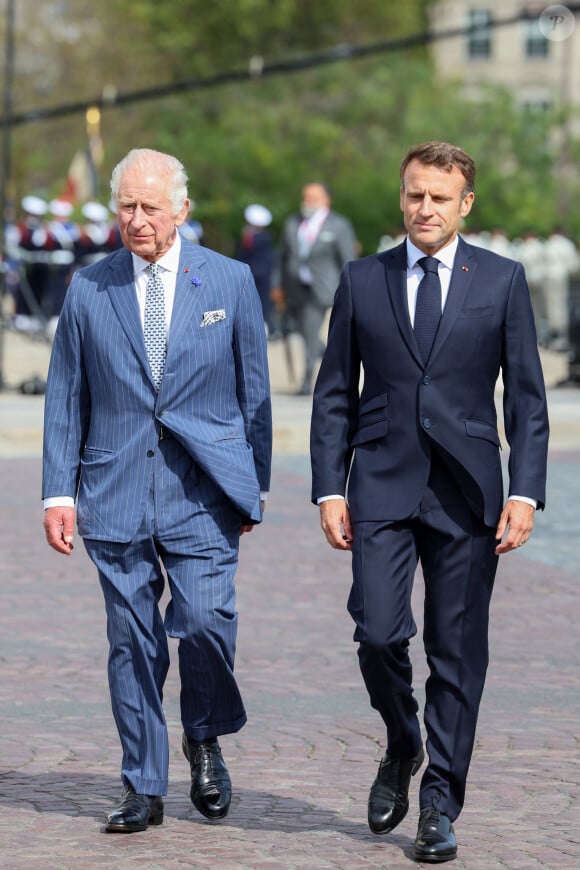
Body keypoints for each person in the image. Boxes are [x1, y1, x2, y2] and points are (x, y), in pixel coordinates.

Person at [310, 142, 549, 863]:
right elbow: (332, 396)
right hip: (379, 484)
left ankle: (440, 803)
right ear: (402, 195)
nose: (424, 208)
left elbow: (529, 402)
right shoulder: (362, 278)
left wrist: (526, 493)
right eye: (415, 194)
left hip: (470, 492)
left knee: (456, 653)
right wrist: (328, 486)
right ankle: (403, 739)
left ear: (465, 204)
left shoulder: (502, 281)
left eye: (439, 198)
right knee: (379, 634)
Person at [42, 148, 272, 833]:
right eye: (126, 208)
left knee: (204, 624)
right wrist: (59, 493)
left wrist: (250, 488)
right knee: (132, 641)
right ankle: (143, 784)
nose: (137, 220)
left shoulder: (229, 283)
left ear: (182, 212)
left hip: (205, 492)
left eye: (150, 207)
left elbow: (254, 393)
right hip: (114, 490)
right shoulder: (90, 287)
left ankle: (203, 732)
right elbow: (66, 394)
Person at [273, 182, 357, 394]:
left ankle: (307, 380)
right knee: (301, 330)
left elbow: (348, 259)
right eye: (305, 196)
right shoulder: (293, 222)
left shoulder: (338, 225)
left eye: (313, 197)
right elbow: (281, 257)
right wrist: (276, 285)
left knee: (309, 331)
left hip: (323, 289)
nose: (308, 200)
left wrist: (351, 289)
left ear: (326, 199)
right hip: (295, 289)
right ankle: (332, 355)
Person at [235, 203, 275, 334]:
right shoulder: (255, 235)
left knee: (263, 298)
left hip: (261, 273)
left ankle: (264, 324)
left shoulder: (260, 236)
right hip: (253, 272)